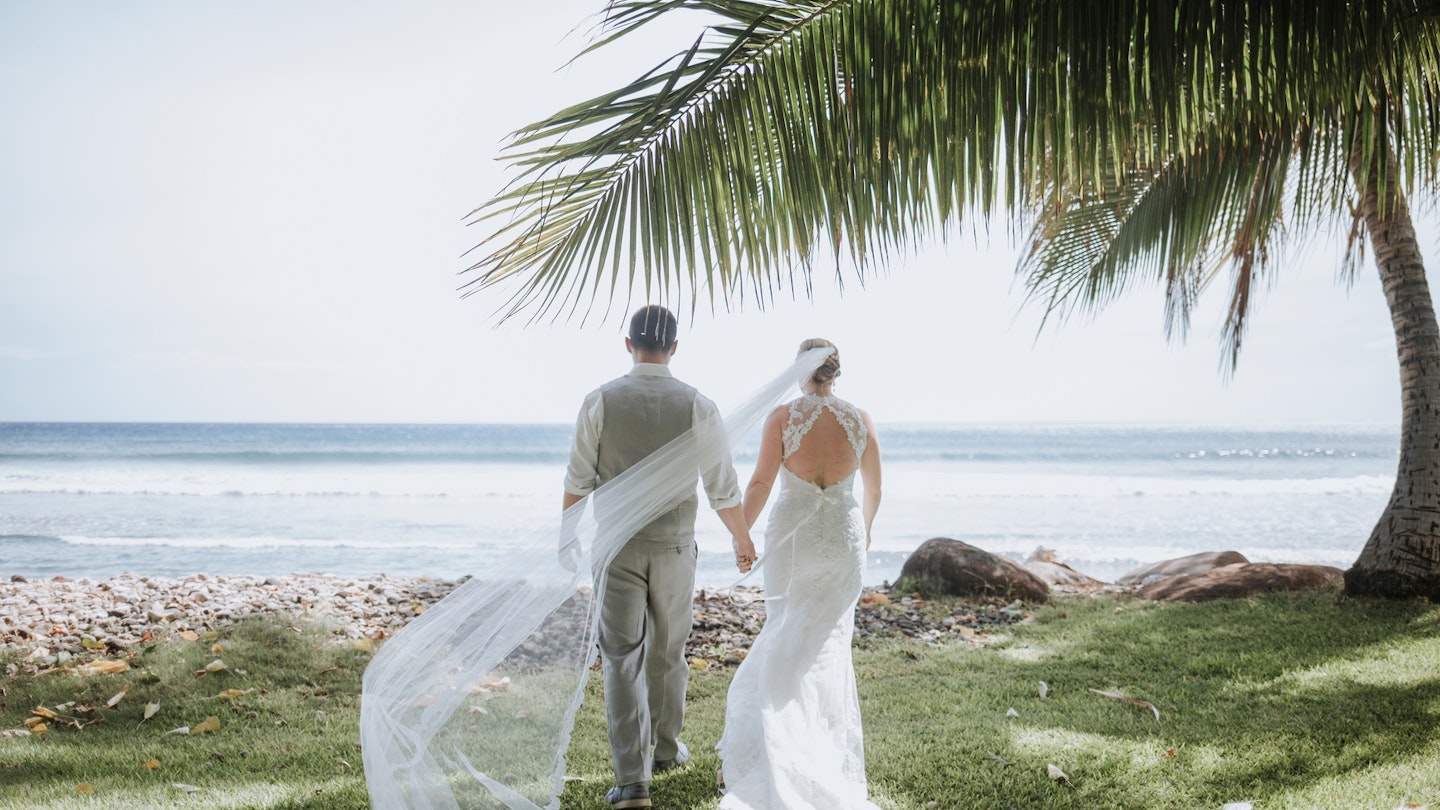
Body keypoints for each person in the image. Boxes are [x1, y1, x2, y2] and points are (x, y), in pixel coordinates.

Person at [562, 304, 758, 810]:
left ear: (628, 345)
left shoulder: (598, 401)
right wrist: (741, 538)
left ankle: (632, 782)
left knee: (622, 659)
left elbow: (577, 480)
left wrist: (567, 538)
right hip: (674, 550)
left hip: (617, 549)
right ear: (674, 349)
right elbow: (722, 487)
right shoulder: (699, 405)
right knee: (669, 651)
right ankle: (666, 752)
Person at [715, 338, 883, 810]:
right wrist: (864, 532)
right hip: (844, 537)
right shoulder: (861, 420)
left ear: (800, 369)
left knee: (787, 632)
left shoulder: (784, 418)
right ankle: (821, 754)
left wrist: (740, 536)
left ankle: (781, 752)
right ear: (837, 372)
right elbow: (875, 488)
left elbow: (762, 483)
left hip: (794, 540)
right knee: (829, 645)